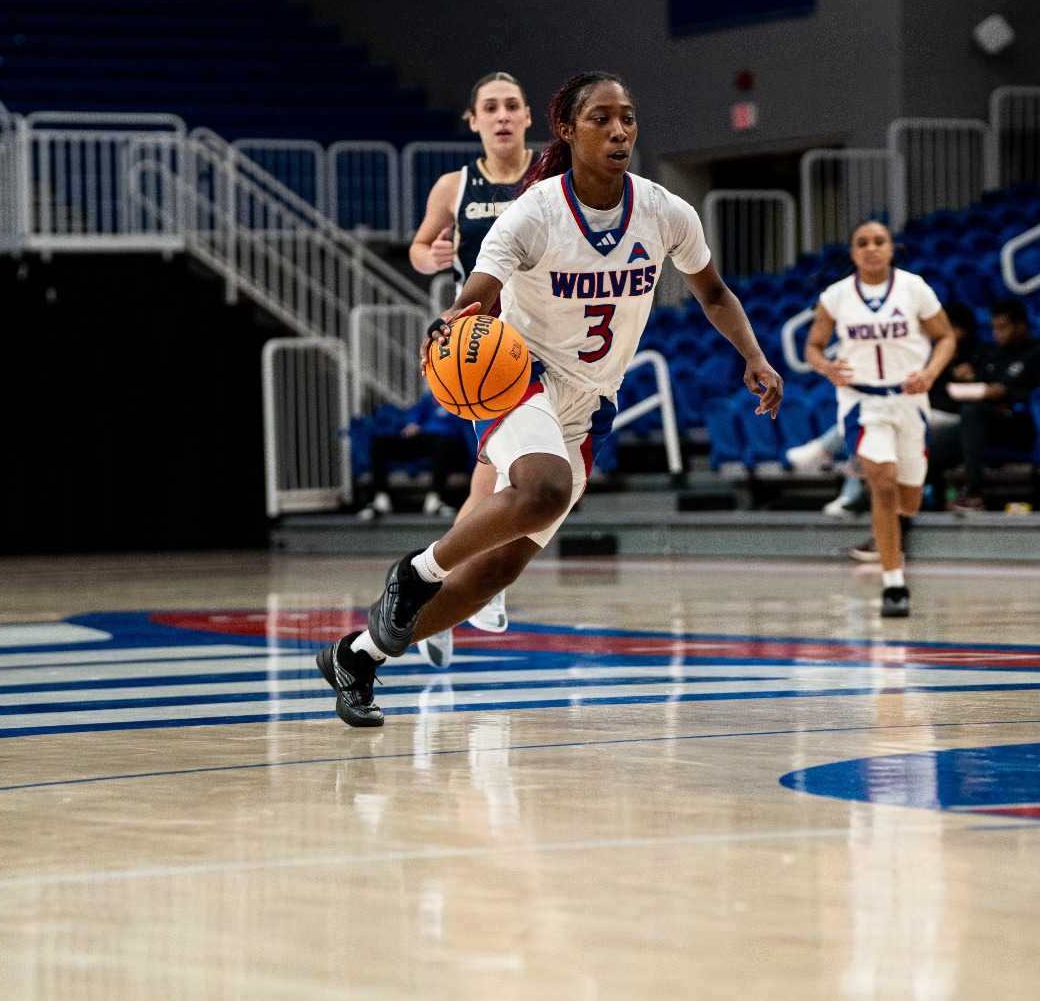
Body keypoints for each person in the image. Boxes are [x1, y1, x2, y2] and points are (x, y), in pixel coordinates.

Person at [315, 72, 784, 726]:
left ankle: (357, 657)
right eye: (601, 118)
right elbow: (478, 291)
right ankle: (416, 572)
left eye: (627, 117)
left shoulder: (665, 212)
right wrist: (454, 321)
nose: (619, 130)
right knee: (543, 488)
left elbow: (712, 292)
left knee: (493, 575)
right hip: (515, 378)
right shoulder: (533, 214)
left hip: (591, 404)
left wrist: (754, 356)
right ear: (566, 128)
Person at [403, 72, 534, 662]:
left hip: (553, 343)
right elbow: (420, 247)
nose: (502, 115)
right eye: (490, 107)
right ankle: (469, 587)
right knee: (500, 481)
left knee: (509, 483)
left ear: (528, 116)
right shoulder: (455, 186)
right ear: (473, 121)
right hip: (488, 354)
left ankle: (436, 595)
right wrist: (430, 256)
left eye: (511, 106)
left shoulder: (553, 176)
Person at [806, 221, 957, 612]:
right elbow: (813, 347)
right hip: (861, 403)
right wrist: (827, 367)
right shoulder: (836, 296)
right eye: (862, 242)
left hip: (907, 403)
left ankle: (887, 517)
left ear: (892, 248)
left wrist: (929, 373)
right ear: (853, 252)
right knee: (884, 483)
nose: (871, 248)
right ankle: (894, 585)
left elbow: (946, 337)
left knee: (909, 500)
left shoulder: (914, 288)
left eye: (879, 241)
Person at [935, 298, 1040, 509]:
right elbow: (981, 386)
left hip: (1022, 426)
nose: (997, 333)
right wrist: (967, 379)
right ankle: (918, 501)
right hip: (987, 425)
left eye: (1003, 327)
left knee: (972, 414)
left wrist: (1007, 393)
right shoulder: (995, 356)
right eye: (994, 327)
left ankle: (974, 492)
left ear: (1020, 325)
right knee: (935, 441)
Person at [356, 392, 469, 521]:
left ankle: (435, 497)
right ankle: (380, 498)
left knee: (443, 444)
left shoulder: (465, 399)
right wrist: (412, 424)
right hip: (423, 436)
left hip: (449, 440)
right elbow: (417, 412)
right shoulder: (431, 396)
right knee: (380, 442)